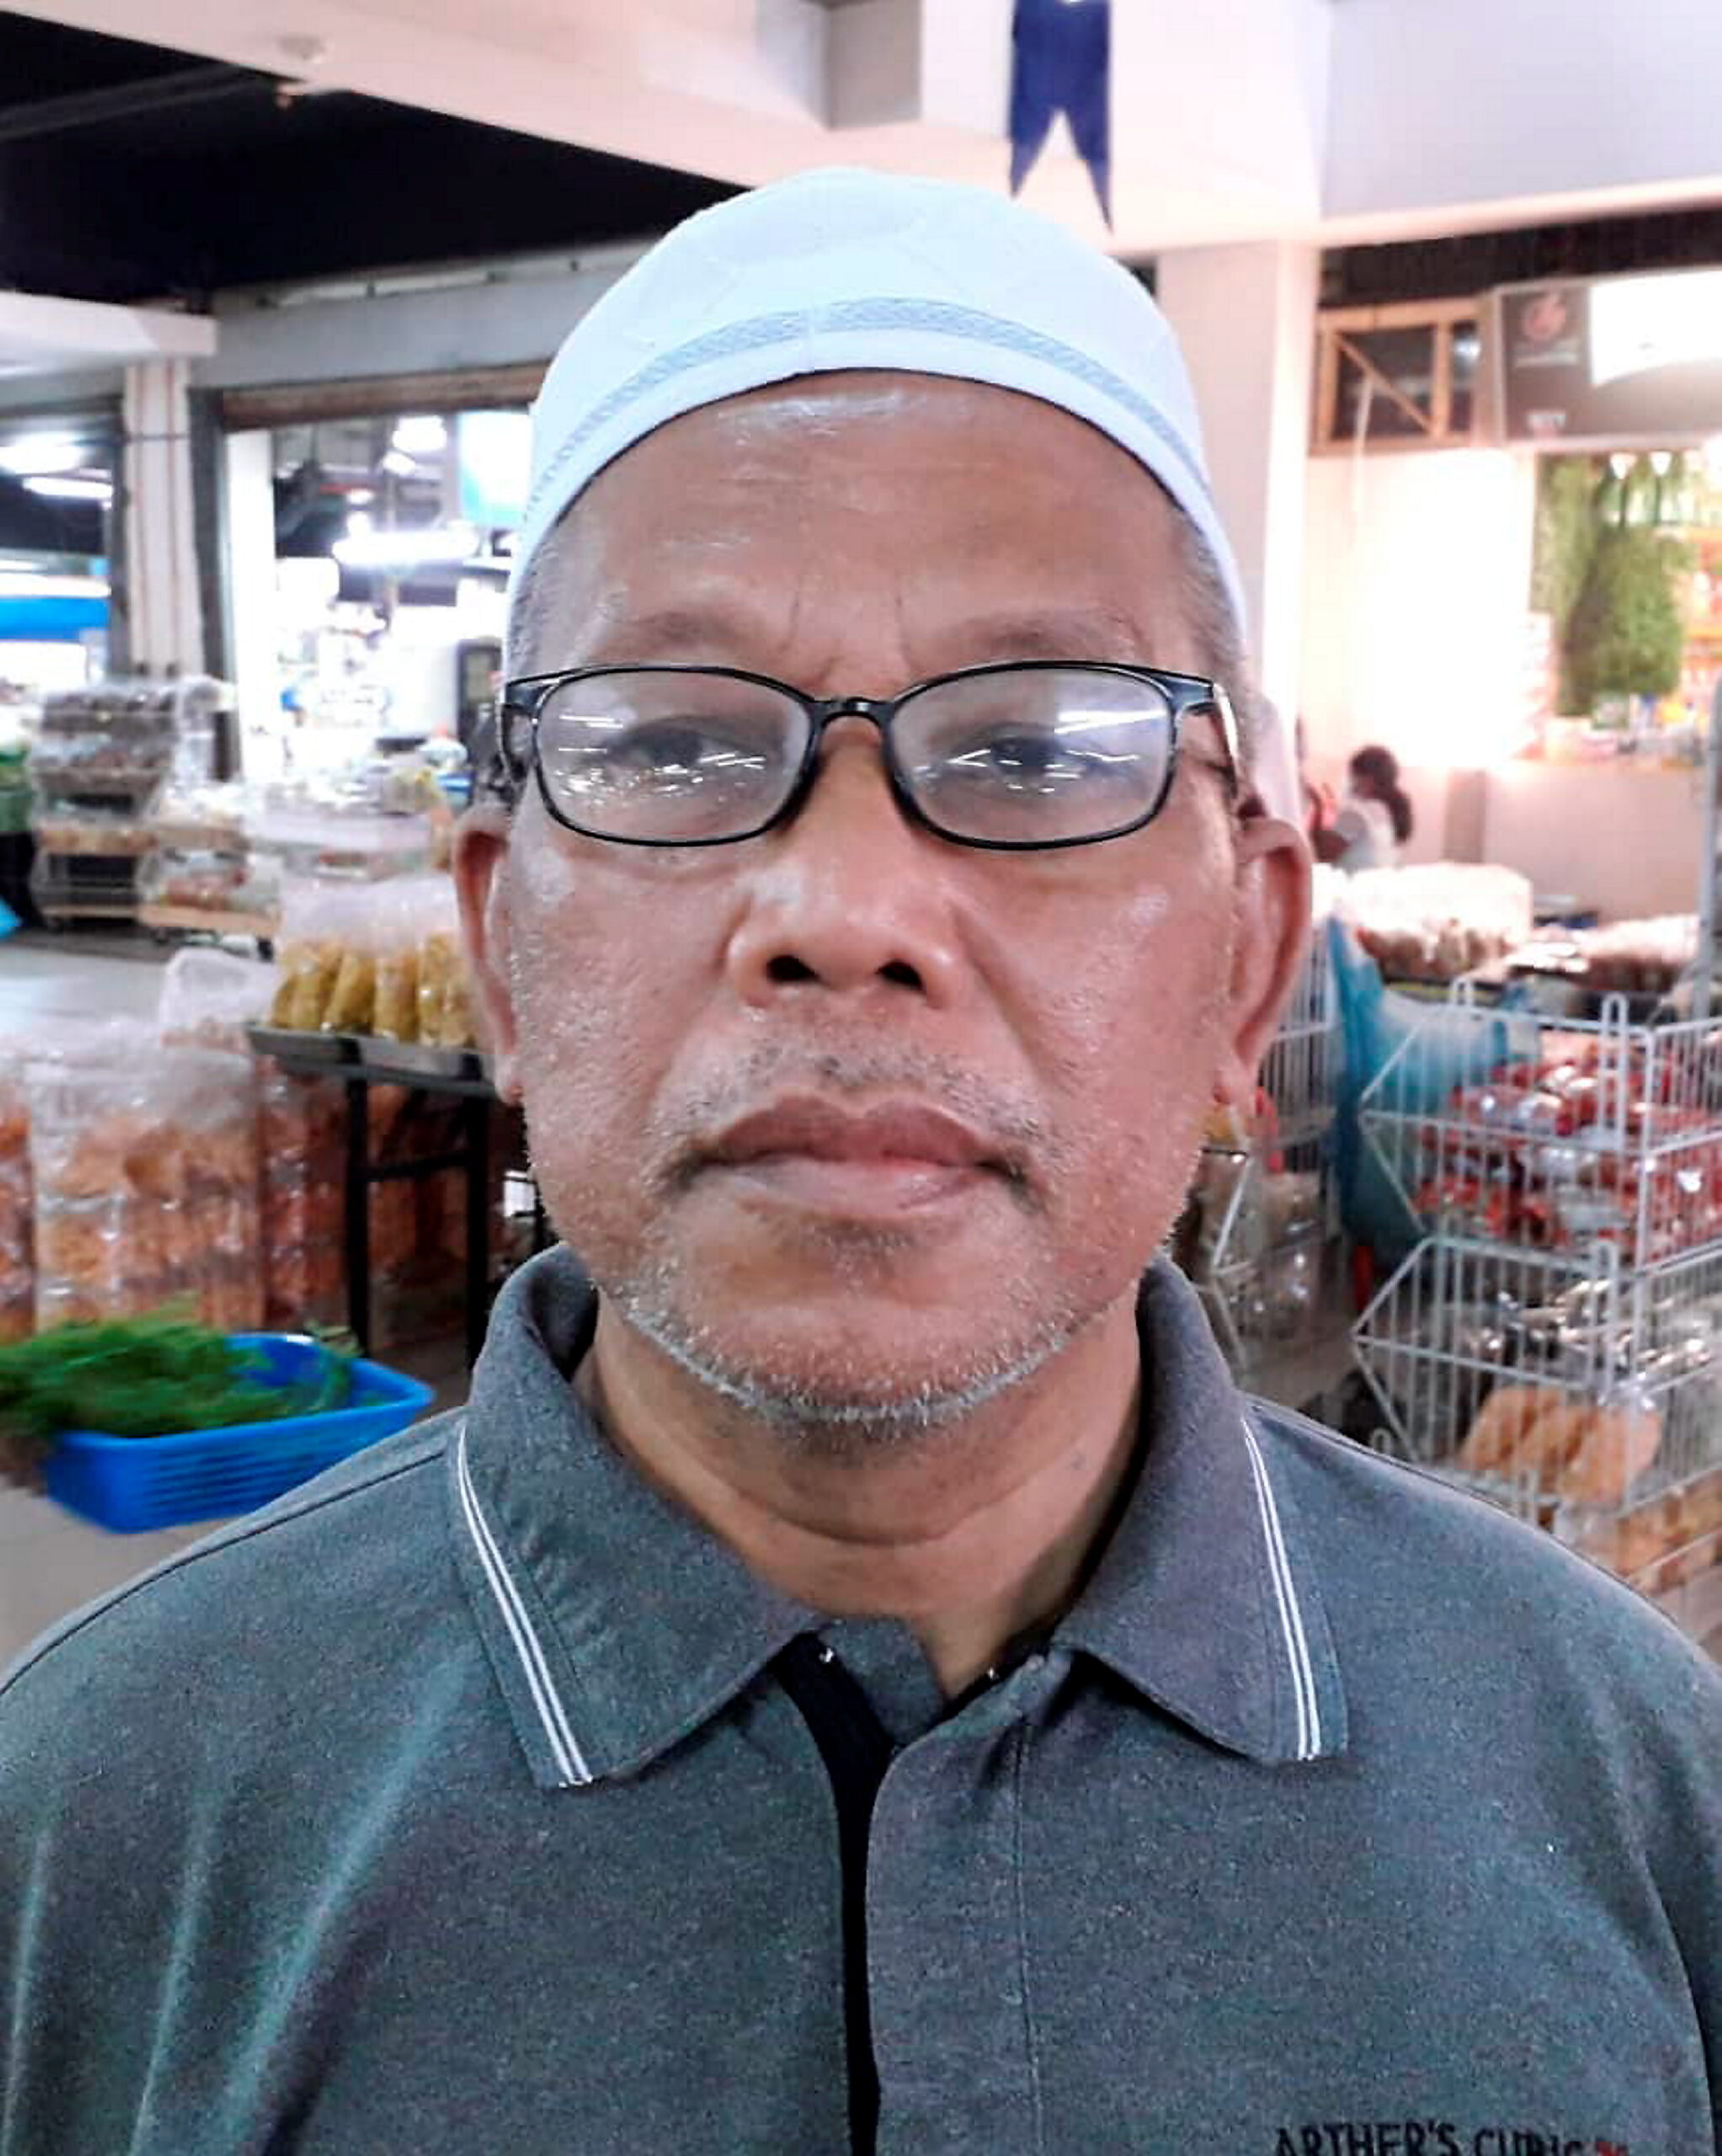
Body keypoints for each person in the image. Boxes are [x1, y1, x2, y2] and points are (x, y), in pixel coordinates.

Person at [3, 170, 1719, 2155]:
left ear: (1247, 961)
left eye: (1035, 750)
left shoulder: (1619, 1775)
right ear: (498, 946)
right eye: (670, 747)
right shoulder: (103, 1818)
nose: (843, 909)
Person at [1314, 742, 1414, 871]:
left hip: (1355, 883)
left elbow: (1323, 855)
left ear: (1367, 779)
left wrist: (1318, 806)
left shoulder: (1357, 813)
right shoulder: (1385, 810)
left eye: (1352, 775)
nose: (1350, 782)